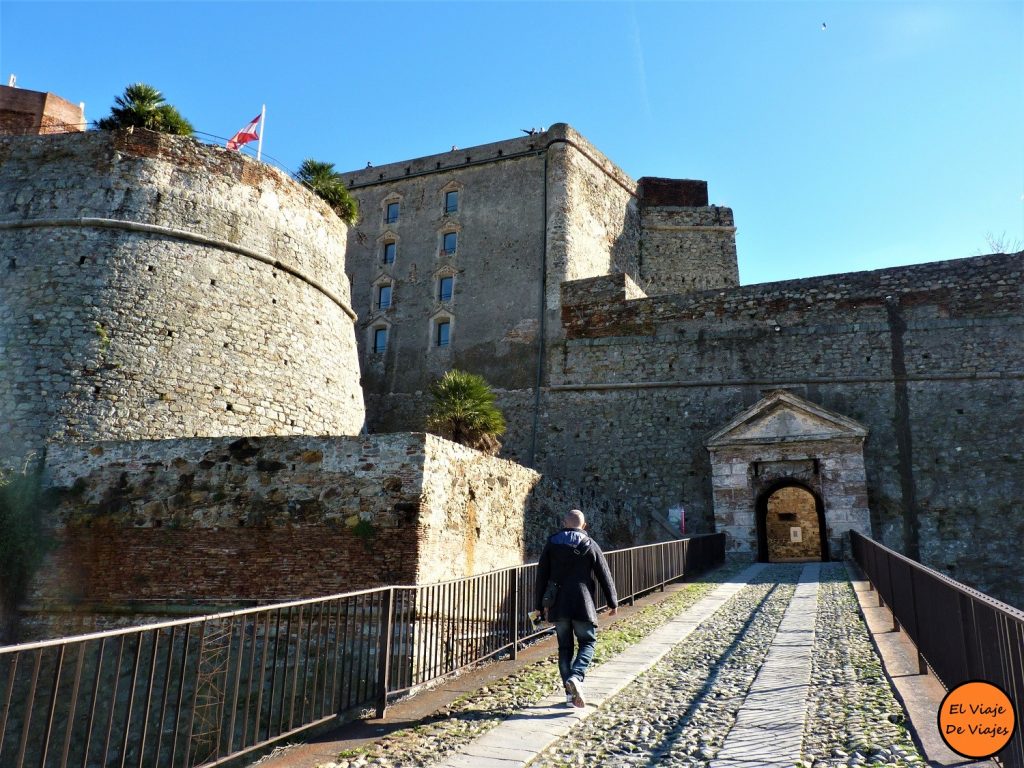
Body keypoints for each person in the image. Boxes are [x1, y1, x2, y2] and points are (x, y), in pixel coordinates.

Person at [535, 509, 618, 708]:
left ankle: (570, 696)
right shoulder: (590, 544)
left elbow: (542, 576)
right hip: (583, 604)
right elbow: (604, 574)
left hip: (559, 605)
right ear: (584, 525)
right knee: (588, 642)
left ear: (564, 523)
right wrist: (612, 601)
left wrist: (539, 606)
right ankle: (577, 677)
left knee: (564, 649)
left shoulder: (552, 543)